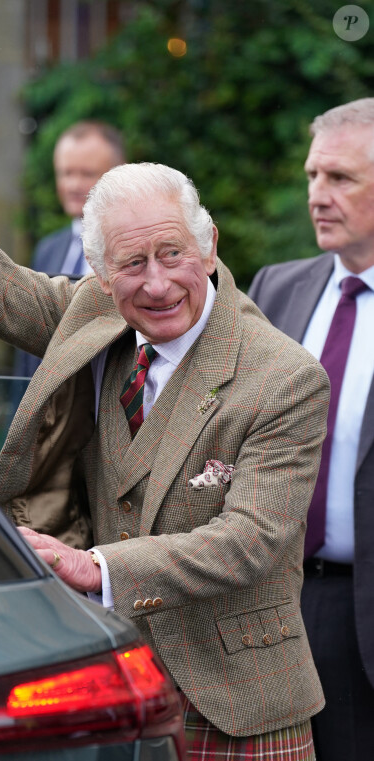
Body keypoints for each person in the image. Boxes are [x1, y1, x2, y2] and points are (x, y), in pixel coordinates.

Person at [0, 20, 330, 758]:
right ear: (101, 274)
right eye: (132, 263)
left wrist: (95, 566)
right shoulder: (95, 311)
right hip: (106, 680)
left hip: (237, 706)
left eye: (174, 252)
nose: (158, 280)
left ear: (209, 247)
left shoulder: (283, 376)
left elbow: (252, 543)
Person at [248, 98, 374, 761]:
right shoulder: (277, 289)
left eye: (341, 178)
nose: (317, 196)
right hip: (271, 612)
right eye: (311, 176)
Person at [16, 120, 126, 377]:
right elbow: (28, 345)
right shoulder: (48, 249)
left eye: (87, 173)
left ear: (118, 174)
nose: (74, 185)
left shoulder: (135, 248)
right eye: (66, 173)